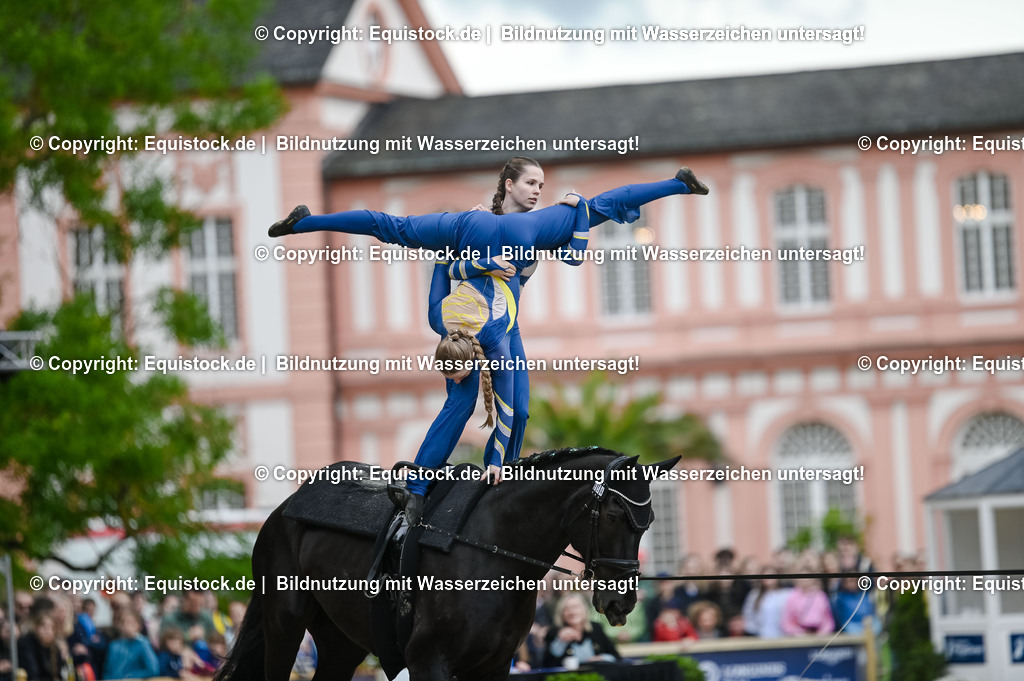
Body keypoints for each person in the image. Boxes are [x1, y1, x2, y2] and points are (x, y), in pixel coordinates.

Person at [271, 165, 709, 522]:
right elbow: (590, 229)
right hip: (503, 319)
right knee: (505, 406)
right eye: (531, 183)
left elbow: (436, 262)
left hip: (494, 294)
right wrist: (575, 216)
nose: (539, 189)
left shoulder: (449, 299)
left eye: (541, 183)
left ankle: (305, 223)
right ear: (508, 184)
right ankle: (485, 472)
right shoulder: (525, 233)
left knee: (394, 229)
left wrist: (471, 257)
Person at [541, 593, 620, 668]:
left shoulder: (596, 628)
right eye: (566, 609)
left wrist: (601, 658)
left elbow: (616, 657)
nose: (572, 612)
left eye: (575, 607)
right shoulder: (554, 632)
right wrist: (560, 642)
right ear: (561, 614)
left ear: (584, 610)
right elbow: (547, 665)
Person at [102, 611, 159, 680]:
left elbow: (153, 670)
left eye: (130, 622)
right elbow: (107, 671)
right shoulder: (114, 645)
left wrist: (128, 676)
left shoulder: (143, 644)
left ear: (138, 625)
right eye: (123, 622)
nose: (126, 626)